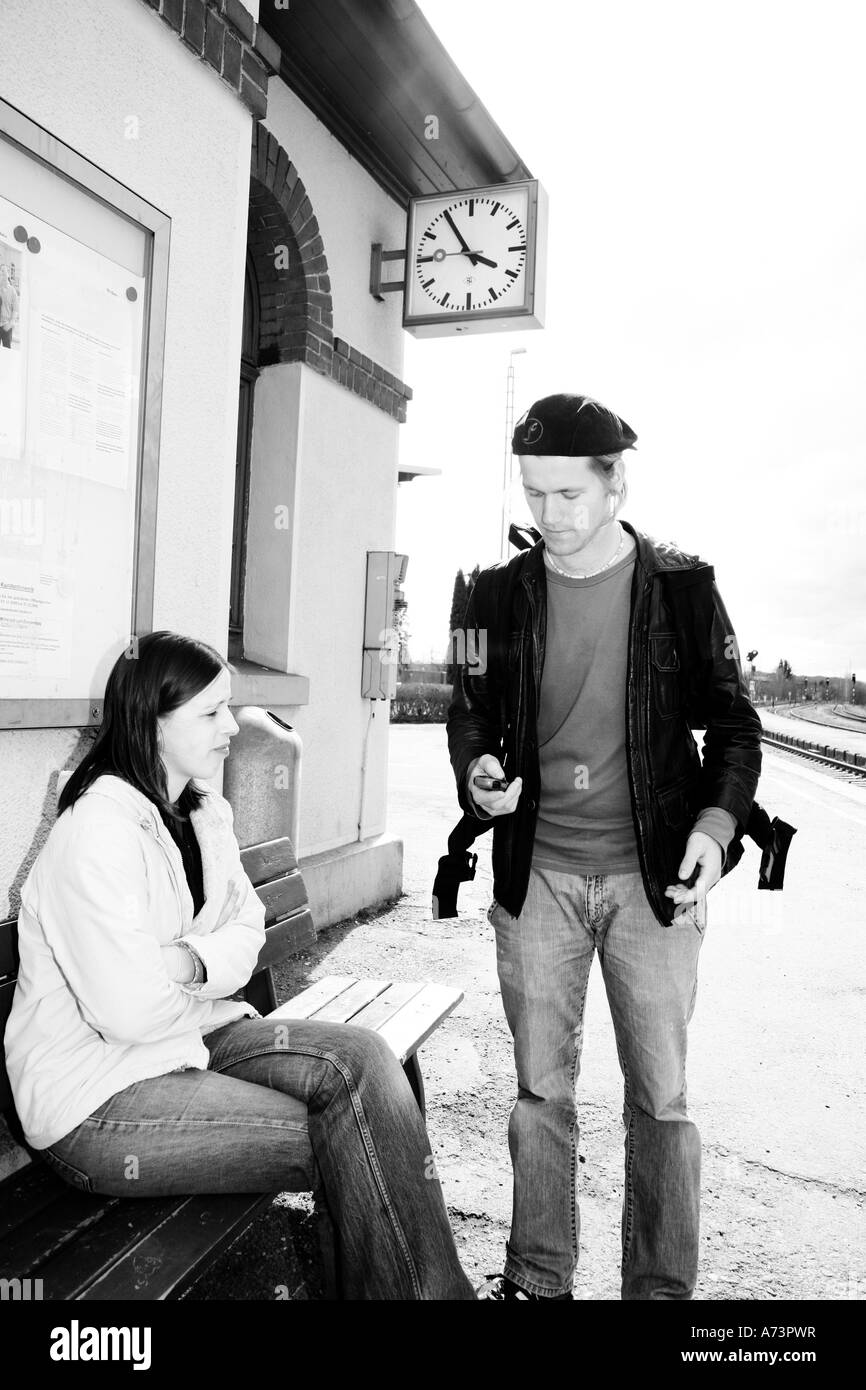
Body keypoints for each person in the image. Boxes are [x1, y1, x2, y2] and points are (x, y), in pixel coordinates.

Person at [5, 631, 475, 1301]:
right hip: (95, 1098)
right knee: (359, 1138)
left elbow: (246, 932)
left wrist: (186, 963)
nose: (231, 726)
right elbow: (126, 1014)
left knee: (369, 1062)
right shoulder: (94, 834)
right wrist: (195, 969)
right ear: (151, 721)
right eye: (210, 713)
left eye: (229, 707)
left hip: (195, 1038)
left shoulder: (202, 811)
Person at [447, 393, 762, 1301]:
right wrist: (477, 771)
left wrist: (714, 830)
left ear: (615, 482)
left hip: (652, 882)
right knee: (540, 1095)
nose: (548, 515)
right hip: (535, 877)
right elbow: (468, 708)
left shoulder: (685, 589)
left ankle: (659, 1294)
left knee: (660, 1103)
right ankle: (538, 1281)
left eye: (568, 495)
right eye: (533, 493)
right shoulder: (489, 591)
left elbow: (736, 729)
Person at [0, 261, 20, 348]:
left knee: (6, 350)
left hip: (7, 326)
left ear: (8, 274)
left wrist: (10, 323)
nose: (2, 273)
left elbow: (15, 310)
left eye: (4, 271)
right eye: (0, 271)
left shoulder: (12, 291)